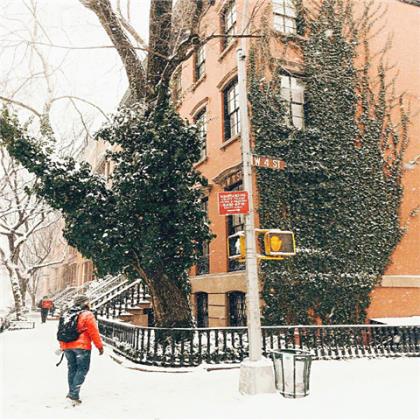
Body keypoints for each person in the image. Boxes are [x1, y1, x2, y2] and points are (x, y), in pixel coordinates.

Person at [58, 294, 104, 405]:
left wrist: (62, 346)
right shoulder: (87, 315)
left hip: (67, 346)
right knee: (82, 369)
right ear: (85, 303)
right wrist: (99, 346)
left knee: (72, 369)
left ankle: (71, 392)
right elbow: (93, 332)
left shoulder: (67, 314)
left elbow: (61, 331)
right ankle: (74, 394)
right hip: (82, 347)